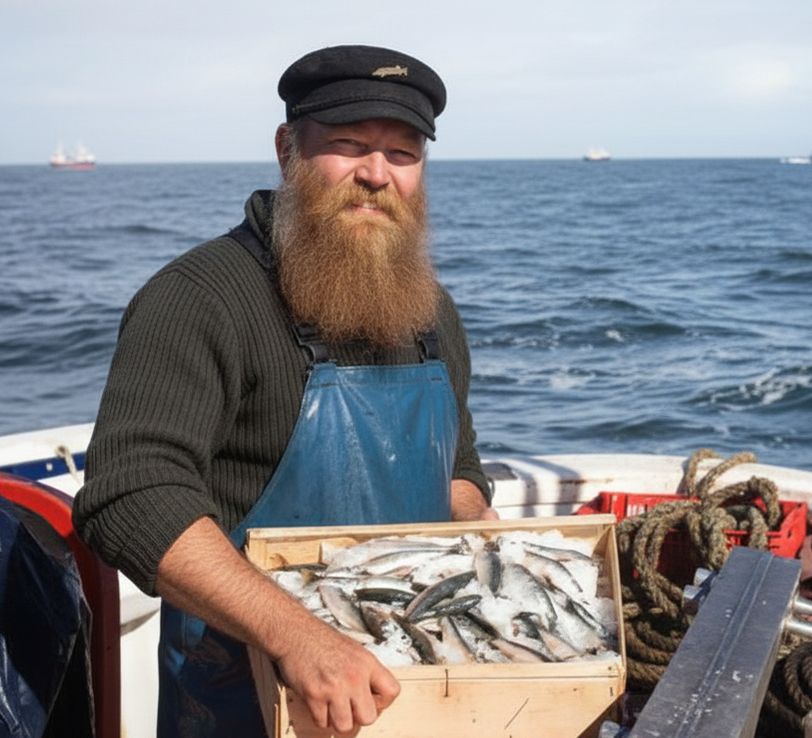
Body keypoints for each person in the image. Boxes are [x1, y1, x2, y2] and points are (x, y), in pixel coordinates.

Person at [72, 45, 496, 737]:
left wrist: (486, 538)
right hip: (244, 695)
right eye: (348, 145)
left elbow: (459, 468)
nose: (375, 175)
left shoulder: (432, 311)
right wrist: (298, 637)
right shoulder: (200, 298)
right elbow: (132, 494)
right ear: (287, 149)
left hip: (416, 677)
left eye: (403, 154)